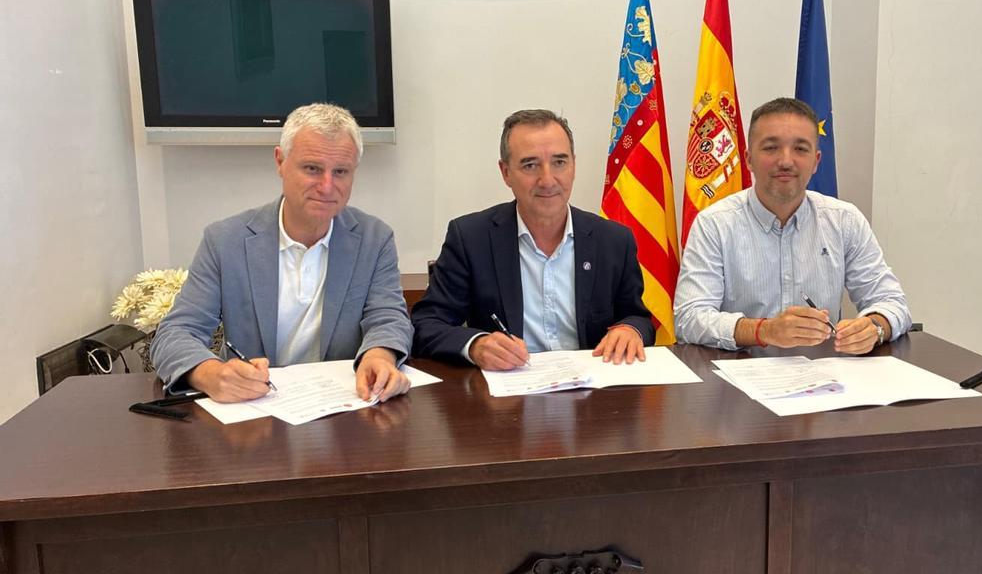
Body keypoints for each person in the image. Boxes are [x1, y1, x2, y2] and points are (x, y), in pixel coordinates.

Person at [151, 103, 414, 402]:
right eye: (312, 168)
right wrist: (210, 373)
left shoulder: (374, 238)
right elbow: (176, 333)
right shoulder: (225, 240)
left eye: (340, 171)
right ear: (280, 161)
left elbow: (388, 317)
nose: (327, 186)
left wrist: (380, 357)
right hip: (255, 412)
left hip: (344, 410)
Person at [411, 109, 653, 370]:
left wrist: (630, 329)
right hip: (508, 395)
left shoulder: (613, 240)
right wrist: (476, 344)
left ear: (573, 165)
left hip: (593, 393)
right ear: (505, 173)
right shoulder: (471, 238)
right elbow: (427, 323)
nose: (547, 180)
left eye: (559, 162)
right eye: (530, 165)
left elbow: (636, 315)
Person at [674, 97, 911, 353]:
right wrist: (763, 330)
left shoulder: (844, 220)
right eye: (771, 147)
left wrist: (875, 327)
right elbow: (689, 318)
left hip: (824, 379)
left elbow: (892, 302)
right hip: (739, 379)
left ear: (816, 161)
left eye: (800, 149)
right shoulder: (714, 224)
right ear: (749, 159)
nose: (786, 161)